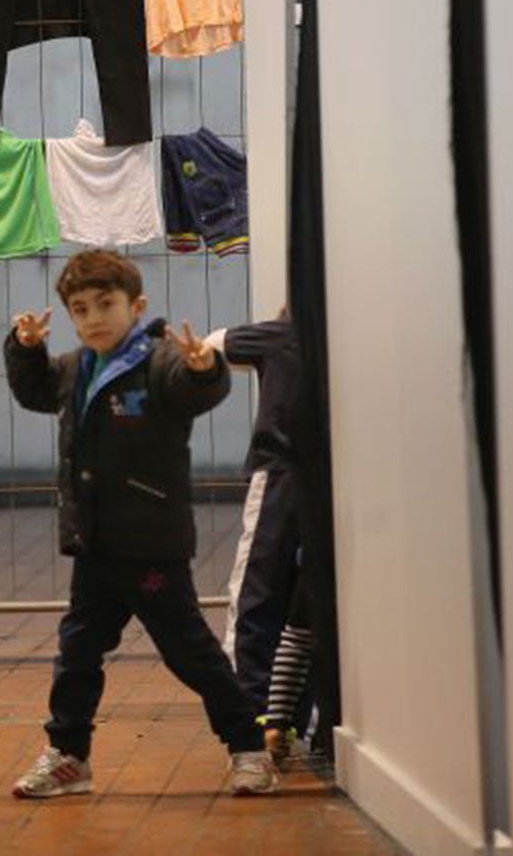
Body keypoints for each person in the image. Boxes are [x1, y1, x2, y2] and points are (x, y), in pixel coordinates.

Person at [4, 248, 277, 799]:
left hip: (151, 544)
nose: (94, 318)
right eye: (81, 310)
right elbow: (35, 393)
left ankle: (249, 747)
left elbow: (194, 389)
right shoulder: (75, 368)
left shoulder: (159, 363)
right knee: (78, 650)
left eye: (106, 304)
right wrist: (26, 349)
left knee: (189, 652)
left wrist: (206, 367)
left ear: (137, 305)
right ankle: (69, 756)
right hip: (95, 544)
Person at [215, 314, 306, 763]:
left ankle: (254, 717)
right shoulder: (350, 335)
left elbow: (212, 346)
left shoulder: (278, 334)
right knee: (306, 604)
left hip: (278, 475)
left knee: (257, 592)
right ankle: (292, 717)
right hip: (336, 472)